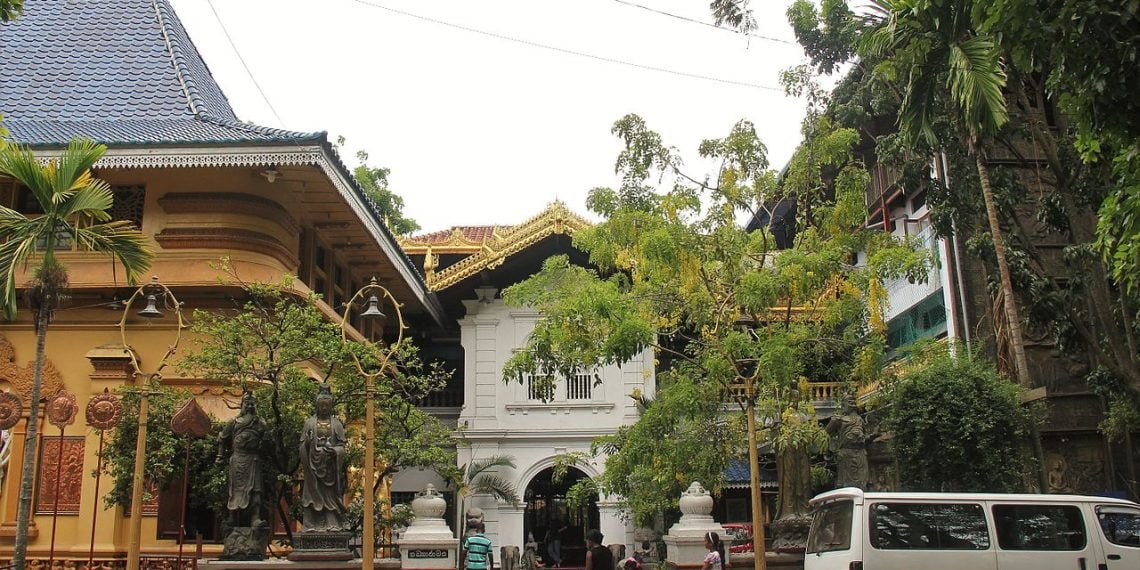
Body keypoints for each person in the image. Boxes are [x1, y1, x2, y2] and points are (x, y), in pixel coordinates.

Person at [299, 383, 347, 531]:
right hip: (313, 467)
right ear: (317, 406)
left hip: (329, 466)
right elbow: (301, 444)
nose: (324, 408)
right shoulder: (310, 423)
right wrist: (307, 443)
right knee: (311, 494)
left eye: (327, 405)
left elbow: (342, 446)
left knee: (329, 495)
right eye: (322, 405)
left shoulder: (337, 424)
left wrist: (336, 451)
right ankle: (310, 524)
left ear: (331, 406)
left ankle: (332, 523)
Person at [216, 390, 267, 528]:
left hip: (253, 459)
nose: (249, 406)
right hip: (238, 459)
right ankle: (232, 517)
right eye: (247, 403)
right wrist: (220, 456)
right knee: (234, 490)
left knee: (256, 490)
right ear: (242, 404)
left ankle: (255, 518)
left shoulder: (260, 422)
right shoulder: (234, 422)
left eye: (252, 404)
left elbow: (266, 439)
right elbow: (222, 438)